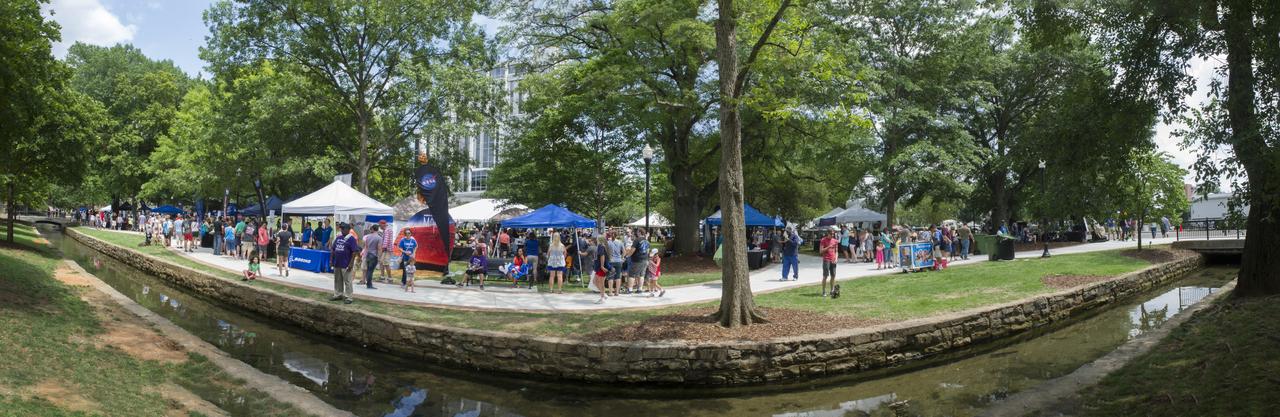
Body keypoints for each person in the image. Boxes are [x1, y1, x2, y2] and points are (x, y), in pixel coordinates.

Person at [330, 224, 360, 304]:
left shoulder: (351, 239)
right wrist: (331, 261)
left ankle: (348, 297)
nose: (342, 230)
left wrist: (351, 263)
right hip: (337, 262)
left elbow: (354, 252)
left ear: (348, 229)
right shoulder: (339, 237)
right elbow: (333, 249)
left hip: (346, 263)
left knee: (347, 281)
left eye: (343, 229)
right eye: (341, 229)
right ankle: (338, 294)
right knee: (337, 280)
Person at [626, 229, 650, 294]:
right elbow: (647, 251)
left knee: (632, 274)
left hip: (637, 260)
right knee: (641, 275)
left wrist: (627, 256)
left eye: (637, 232)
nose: (637, 233)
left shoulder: (637, 240)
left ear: (639, 232)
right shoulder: (647, 241)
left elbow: (632, 250)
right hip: (645, 259)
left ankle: (630, 290)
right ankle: (639, 289)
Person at [361, 224, 383, 289]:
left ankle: (368, 283)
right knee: (371, 270)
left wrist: (365, 255)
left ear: (372, 229)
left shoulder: (368, 237)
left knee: (368, 270)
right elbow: (379, 248)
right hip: (374, 255)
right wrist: (379, 257)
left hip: (368, 254)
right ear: (378, 229)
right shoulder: (379, 238)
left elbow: (366, 247)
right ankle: (369, 285)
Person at [820, 229, 838, 297]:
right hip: (826, 260)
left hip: (833, 260)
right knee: (825, 276)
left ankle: (832, 290)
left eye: (833, 234)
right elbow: (821, 251)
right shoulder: (823, 240)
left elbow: (836, 251)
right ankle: (824, 291)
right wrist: (828, 247)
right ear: (827, 233)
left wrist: (836, 258)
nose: (832, 235)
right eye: (831, 234)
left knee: (833, 275)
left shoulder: (835, 241)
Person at [606, 232, 625, 297]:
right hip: (618, 261)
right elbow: (624, 252)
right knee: (618, 277)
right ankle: (617, 292)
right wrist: (622, 258)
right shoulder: (620, 242)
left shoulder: (608, 242)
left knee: (610, 277)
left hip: (611, 261)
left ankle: (610, 292)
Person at [592, 236, 609, 304]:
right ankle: (603, 294)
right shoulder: (601, 246)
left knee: (600, 283)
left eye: (597, 238)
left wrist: (602, 266)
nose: (596, 239)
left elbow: (602, 256)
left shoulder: (601, 246)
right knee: (595, 281)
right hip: (599, 267)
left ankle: (602, 298)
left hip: (601, 267)